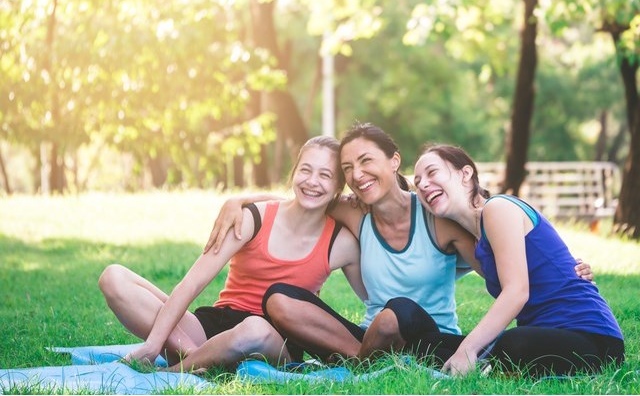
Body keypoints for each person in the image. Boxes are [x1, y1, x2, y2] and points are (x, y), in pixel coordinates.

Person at [206, 123, 594, 364]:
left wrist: (567, 267)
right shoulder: (351, 212)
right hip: (369, 336)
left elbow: (503, 264)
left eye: (366, 162)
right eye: (347, 169)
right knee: (279, 297)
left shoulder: (439, 220)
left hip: (428, 337)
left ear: (394, 161)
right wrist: (239, 200)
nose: (356, 175)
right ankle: (362, 360)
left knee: (398, 312)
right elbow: (301, 196)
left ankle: (359, 363)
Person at [98, 136, 366, 372]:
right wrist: (153, 343)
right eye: (305, 170)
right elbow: (193, 282)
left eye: (325, 175)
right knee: (114, 278)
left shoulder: (340, 243)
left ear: (337, 188)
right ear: (294, 172)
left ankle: (177, 370)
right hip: (216, 324)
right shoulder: (252, 217)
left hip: (275, 340)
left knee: (254, 329)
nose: (312, 181)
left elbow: (372, 299)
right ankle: (195, 356)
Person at [411, 143, 624, 376]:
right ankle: (485, 365)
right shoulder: (475, 240)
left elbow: (516, 291)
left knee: (512, 343)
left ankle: (482, 364)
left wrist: (468, 349)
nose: (422, 184)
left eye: (432, 173)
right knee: (429, 344)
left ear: (466, 173)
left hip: (592, 338)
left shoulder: (498, 208)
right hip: (543, 335)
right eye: (417, 180)